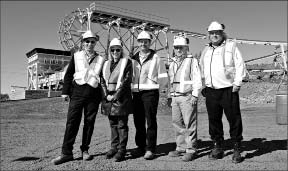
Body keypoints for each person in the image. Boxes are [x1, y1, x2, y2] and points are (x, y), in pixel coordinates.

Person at [51, 30, 105, 165]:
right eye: (87, 41)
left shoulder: (101, 59)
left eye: (92, 41)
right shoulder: (76, 56)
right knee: (72, 122)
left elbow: (103, 78)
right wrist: (65, 92)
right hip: (77, 93)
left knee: (89, 123)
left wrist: (103, 96)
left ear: (95, 43)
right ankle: (66, 153)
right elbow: (69, 75)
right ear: (83, 43)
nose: (90, 44)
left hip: (93, 94)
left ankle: (85, 150)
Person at [199, 21, 247, 163]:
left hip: (228, 89)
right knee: (213, 121)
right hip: (211, 91)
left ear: (222, 34)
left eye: (217, 33)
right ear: (209, 35)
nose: (214, 35)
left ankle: (237, 147)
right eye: (212, 33)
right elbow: (201, 69)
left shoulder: (231, 47)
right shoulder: (206, 50)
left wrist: (238, 83)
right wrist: (203, 86)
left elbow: (240, 65)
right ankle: (217, 146)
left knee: (234, 119)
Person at [131, 30, 169, 160]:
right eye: (141, 41)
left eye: (146, 41)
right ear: (138, 43)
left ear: (149, 43)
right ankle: (140, 146)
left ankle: (150, 148)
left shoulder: (156, 58)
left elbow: (163, 76)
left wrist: (163, 91)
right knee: (138, 121)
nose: (143, 44)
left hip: (150, 93)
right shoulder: (133, 59)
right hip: (136, 93)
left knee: (151, 121)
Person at [167, 36, 202, 162]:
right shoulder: (172, 63)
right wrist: (169, 96)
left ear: (186, 48)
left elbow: (197, 78)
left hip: (187, 97)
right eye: (176, 47)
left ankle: (191, 149)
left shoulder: (192, 61)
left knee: (189, 124)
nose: (178, 49)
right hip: (175, 97)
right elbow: (170, 81)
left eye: (180, 47)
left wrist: (195, 95)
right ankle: (180, 147)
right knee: (177, 124)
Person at [100, 38, 133, 162]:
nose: (115, 52)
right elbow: (101, 80)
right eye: (113, 50)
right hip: (108, 98)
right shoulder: (106, 64)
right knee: (112, 124)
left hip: (121, 99)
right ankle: (114, 147)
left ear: (121, 50)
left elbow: (126, 80)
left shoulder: (126, 62)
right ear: (110, 51)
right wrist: (106, 95)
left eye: (117, 50)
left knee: (122, 125)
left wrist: (116, 95)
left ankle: (121, 150)